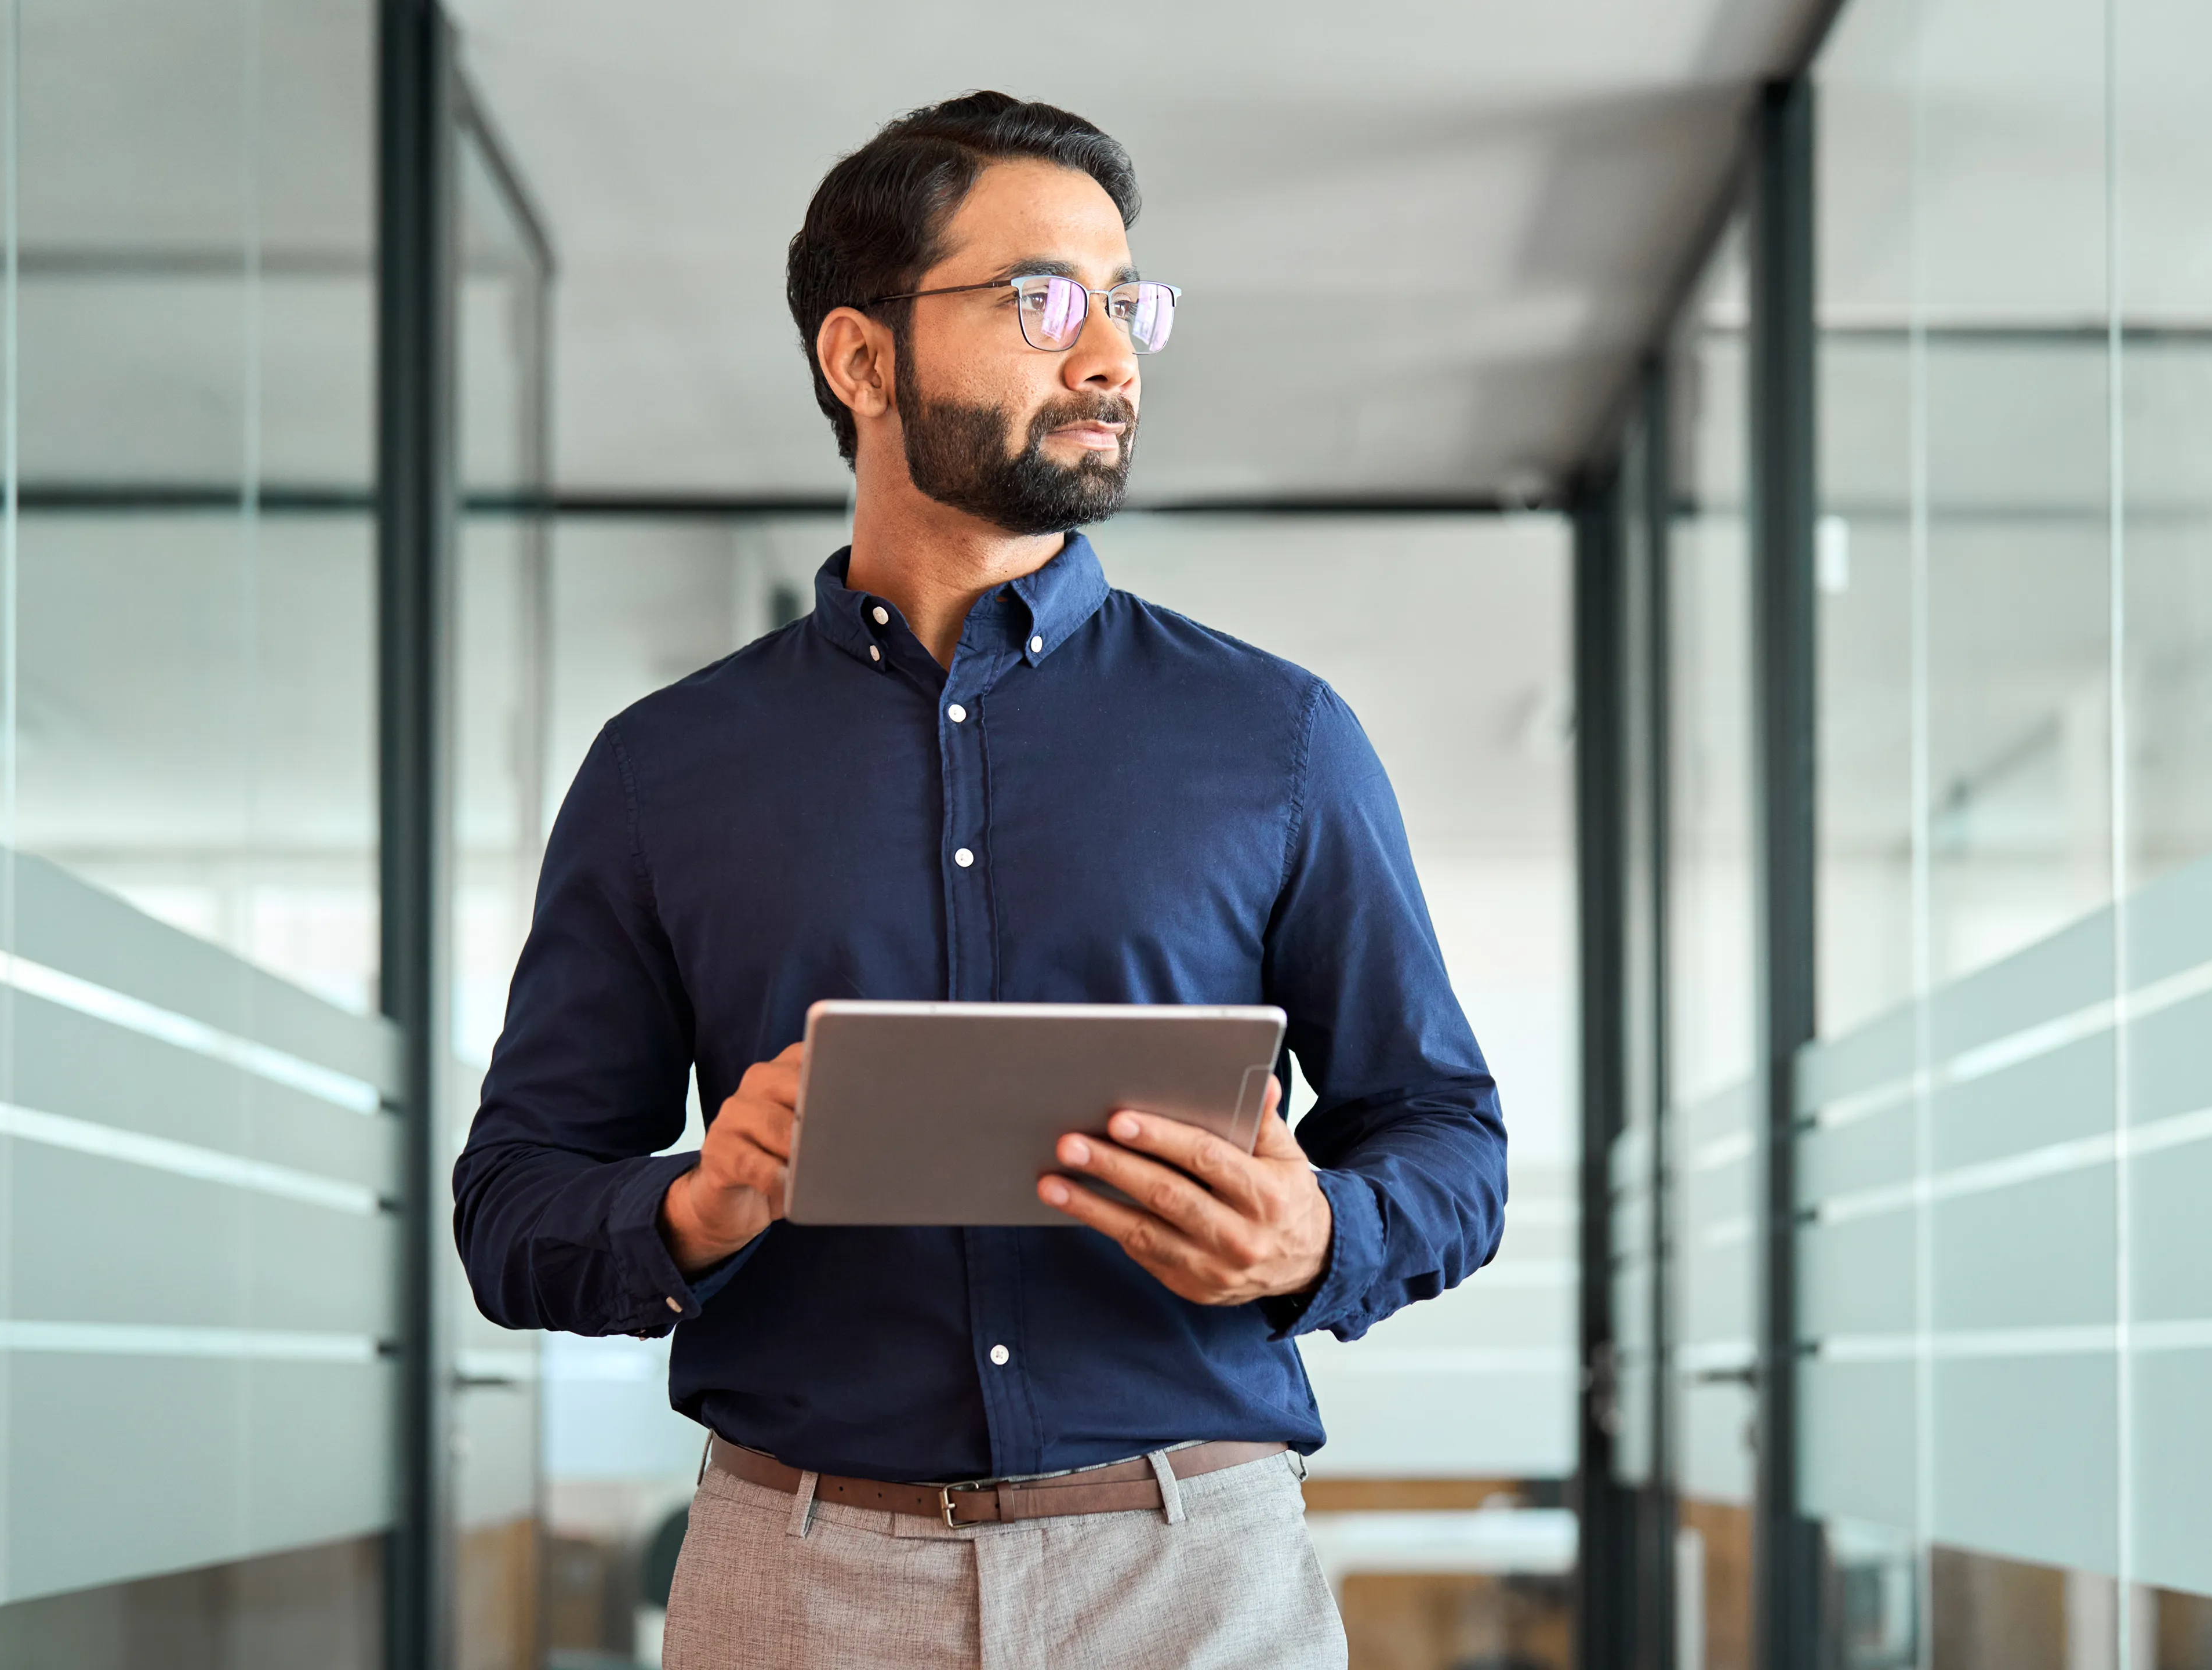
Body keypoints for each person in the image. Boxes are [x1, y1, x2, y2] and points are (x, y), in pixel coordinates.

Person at [451, 90, 1506, 1670]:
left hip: (1191, 1569)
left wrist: (1316, 1243)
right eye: (1043, 301)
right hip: (795, 1576)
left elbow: (1450, 1140)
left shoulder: (1277, 737)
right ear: (860, 359)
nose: (1110, 357)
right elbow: (513, 1206)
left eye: (1124, 303)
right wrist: (703, 1198)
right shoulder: (662, 771)